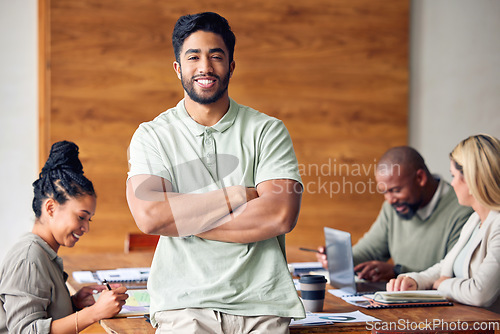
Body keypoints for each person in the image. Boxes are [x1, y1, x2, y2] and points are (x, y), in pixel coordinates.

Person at [126, 12, 305, 333]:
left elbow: (279, 216)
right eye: (193, 57)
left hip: (262, 302)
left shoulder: (268, 131)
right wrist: (240, 195)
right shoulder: (152, 135)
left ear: (231, 66)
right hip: (183, 304)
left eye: (216, 56)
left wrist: (183, 219)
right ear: (178, 68)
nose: (205, 67)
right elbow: (152, 217)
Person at [0, 141, 128, 333]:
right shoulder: (29, 258)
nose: (85, 228)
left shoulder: (44, 252)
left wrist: (74, 303)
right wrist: (94, 313)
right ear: (50, 208)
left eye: (89, 220)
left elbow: (42, 314)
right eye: (81, 217)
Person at [316, 146, 473, 282]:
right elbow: (369, 251)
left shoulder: (462, 209)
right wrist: (339, 258)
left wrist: (398, 272)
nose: (389, 200)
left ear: (420, 178)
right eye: (384, 192)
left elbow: (451, 273)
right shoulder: (394, 208)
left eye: (395, 191)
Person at [387, 134, 500, 313]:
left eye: (453, 175)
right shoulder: (475, 219)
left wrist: (443, 285)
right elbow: (446, 265)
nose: (452, 183)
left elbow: (480, 293)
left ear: (472, 180)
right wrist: (415, 280)